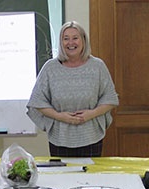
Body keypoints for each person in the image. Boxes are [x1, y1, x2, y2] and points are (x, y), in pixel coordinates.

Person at [26, 21, 119, 157]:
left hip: (91, 137)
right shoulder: (50, 68)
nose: (71, 43)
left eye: (75, 38)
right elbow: (37, 101)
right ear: (61, 42)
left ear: (83, 40)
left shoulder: (97, 66)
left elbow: (110, 99)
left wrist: (91, 114)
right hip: (60, 137)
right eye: (66, 38)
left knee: (90, 177)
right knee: (62, 177)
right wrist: (59, 116)